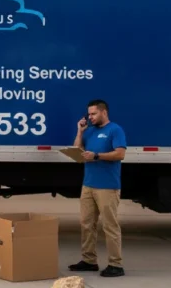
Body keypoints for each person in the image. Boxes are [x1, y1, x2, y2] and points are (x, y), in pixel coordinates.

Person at [68, 99, 127, 278]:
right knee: (87, 224)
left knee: (110, 226)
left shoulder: (115, 130)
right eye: (89, 114)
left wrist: (97, 155)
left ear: (104, 112)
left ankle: (116, 264)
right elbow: (77, 150)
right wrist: (80, 131)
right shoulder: (90, 131)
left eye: (93, 114)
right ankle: (89, 260)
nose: (90, 117)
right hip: (88, 185)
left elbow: (120, 153)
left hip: (107, 187)